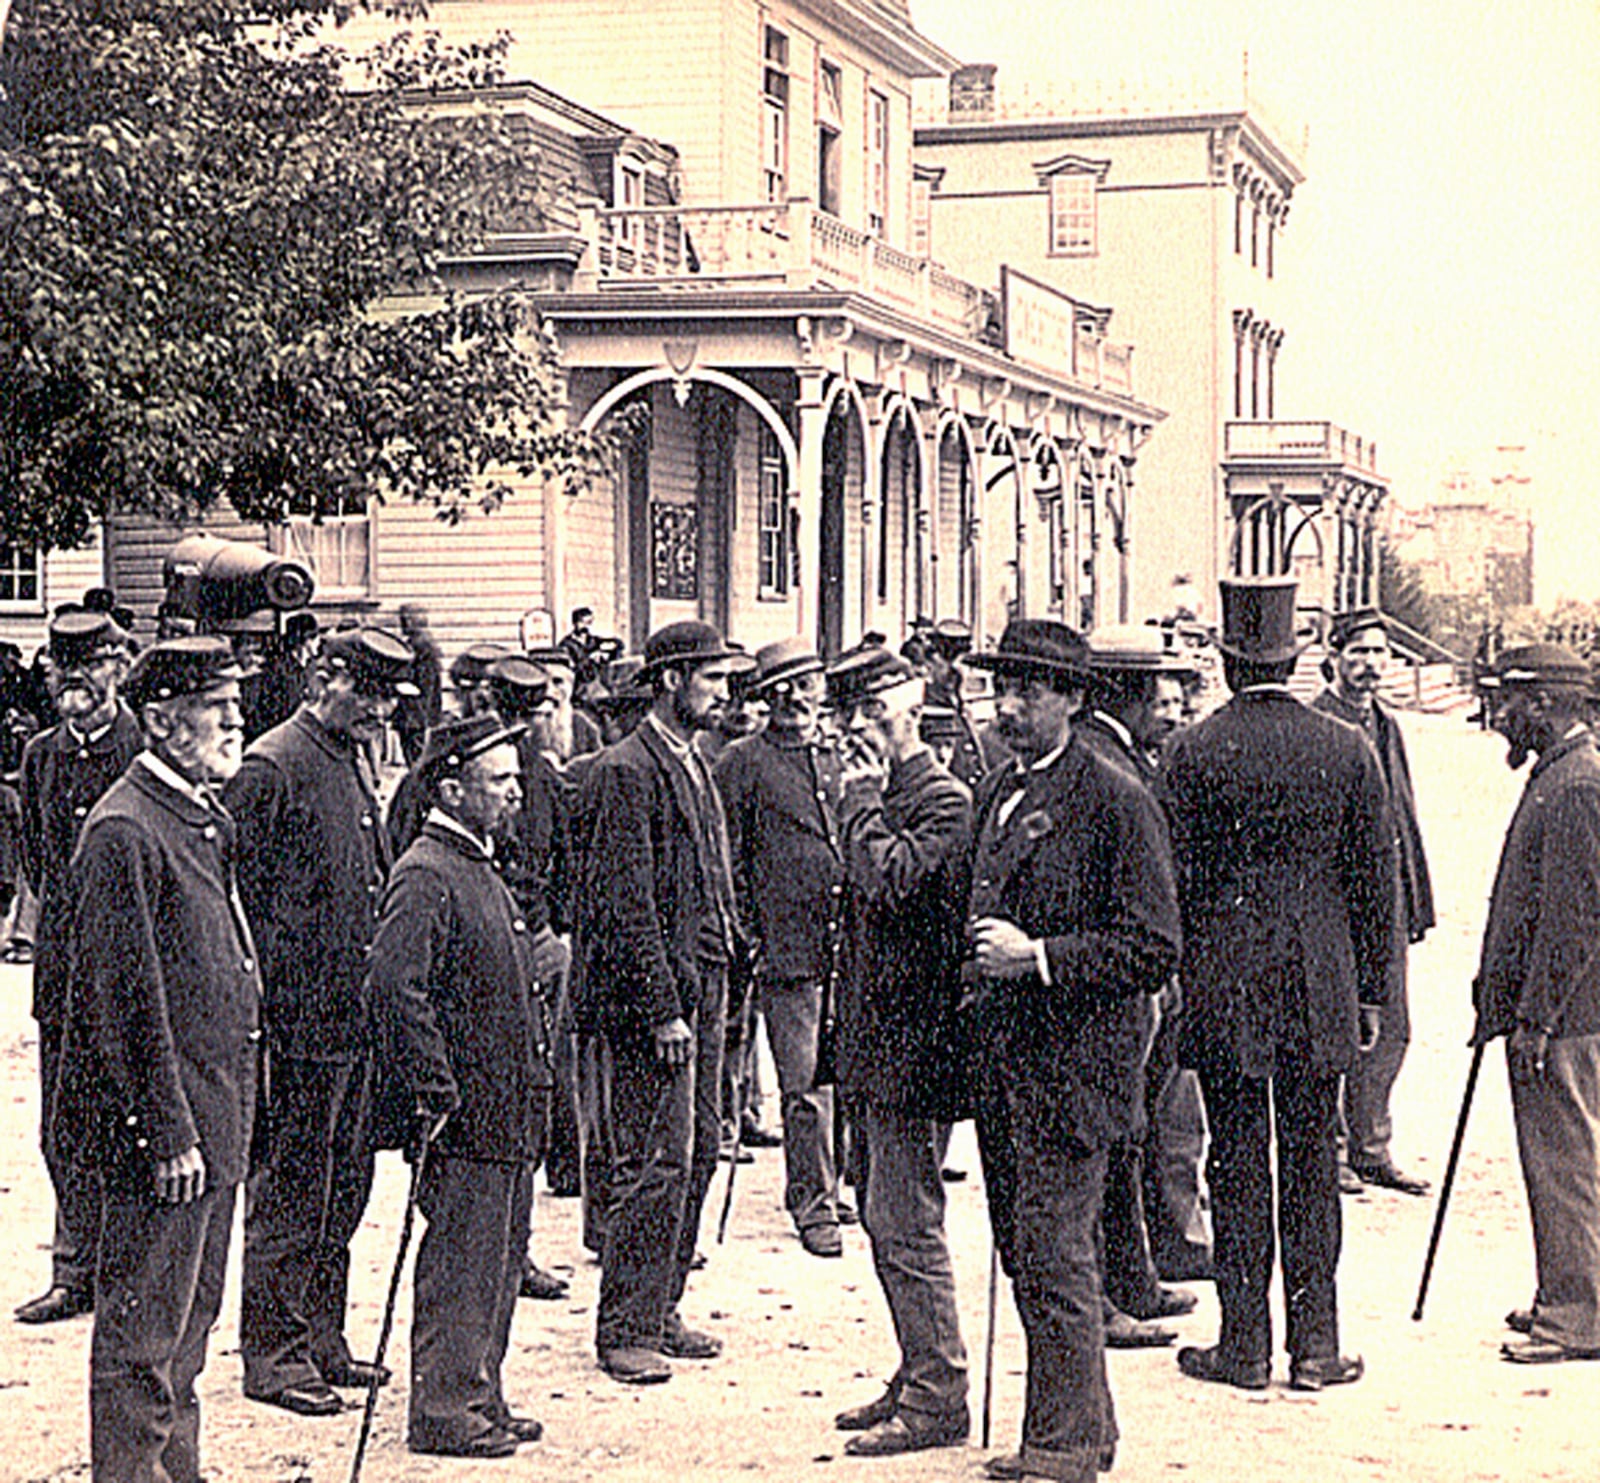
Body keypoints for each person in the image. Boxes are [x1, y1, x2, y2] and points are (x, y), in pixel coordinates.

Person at [1160, 578, 1394, 1393]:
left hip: (1224, 981)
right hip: (1321, 982)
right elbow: (1376, 884)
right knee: (1309, 1157)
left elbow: (1174, 883)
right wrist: (1373, 995)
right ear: (1295, 661)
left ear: (1226, 662)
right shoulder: (1345, 747)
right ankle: (1317, 1345)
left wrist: (1178, 976)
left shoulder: (1189, 749)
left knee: (1235, 1162)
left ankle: (1245, 1345)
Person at [962, 619, 1182, 1483]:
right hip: (1008, 1065)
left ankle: (1066, 1448)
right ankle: (1075, 1429)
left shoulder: (1115, 796)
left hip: (1077, 1068)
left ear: (1075, 699)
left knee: (1056, 1253)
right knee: (1031, 1251)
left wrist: (1039, 957)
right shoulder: (998, 789)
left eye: (1030, 691)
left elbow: (1154, 944)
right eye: (1001, 689)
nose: (1009, 706)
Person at [52, 636, 260, 1482]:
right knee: (143, 1341)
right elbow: (121, 1006)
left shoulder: (198, 813)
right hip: (164, 1143)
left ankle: (178, 1472)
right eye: (219, 705)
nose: (236, 719)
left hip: (211, 1120)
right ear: (166, 720)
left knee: (189, 1330)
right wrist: (168, 1131)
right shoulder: (123, 830)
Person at [228, 627, 419, 1417]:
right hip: (298, 1026)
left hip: (351, 1023)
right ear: (325, 678)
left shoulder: (348, 755)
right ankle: (272, 1354)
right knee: (292, 1191)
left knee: (345, 1186)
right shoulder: (272, 766)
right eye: (368, 693)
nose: (380, 712)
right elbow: (236, 903)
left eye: (387, 699)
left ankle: (323, 1338)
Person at [369, 713, 552, 1455]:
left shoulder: (475, 861)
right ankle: (444, 1409)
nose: (515, 792)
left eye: (515, 777)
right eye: (500, 780)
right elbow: (393, 987)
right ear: (452, 789)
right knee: (461, 1265)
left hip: (504, 1109)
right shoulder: (426, 870)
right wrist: (433, 1090)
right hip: (465, 1115)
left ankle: (482, 1392)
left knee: (498, 1261)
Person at [573, 620, 749, 1385]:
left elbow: (709, 874)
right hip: (660, 1000)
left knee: (701, 1147)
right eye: (711, 678)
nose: (723, 692)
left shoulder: (691, 761)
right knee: (656, 1161)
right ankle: (626, 1326)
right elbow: (624, 904)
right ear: (672, 679)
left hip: (705, 983)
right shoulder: (627, 769)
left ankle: (662, 1303)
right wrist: (661, 1009)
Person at [825, 646, 973, 1457]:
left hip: (918, 1048)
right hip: (879, 1042)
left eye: (874, 716)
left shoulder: (941, 800)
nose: (858, 732)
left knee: (906, 1221)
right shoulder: (884, 796)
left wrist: (858, 802)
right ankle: (918, 1369)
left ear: (909, 714)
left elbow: (890, 881)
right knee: (887, 1217)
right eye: (851, 716)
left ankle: (939, 1391)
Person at [1471, 645, 1600, 1364]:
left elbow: (1574, 916)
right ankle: (1570, 1293)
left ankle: (1576, 1315)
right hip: (1564, 1010)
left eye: (1511, 703)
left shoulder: (1577, 783)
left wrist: (1536, 1018)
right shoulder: (1563, 770)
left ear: (1545, 704)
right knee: (1565, 1155)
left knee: (1564, 1159)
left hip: (1566, 1016)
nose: (1500, 717)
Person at [16, 611, 142, 1327]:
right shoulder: (40, 755)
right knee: (65, 1123)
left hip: (130, 964)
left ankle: (127, 1270)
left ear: (120, 668)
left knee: (132, 1116)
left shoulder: (140, 747)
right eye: (62, 667)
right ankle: (74, 1269)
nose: (75, 681)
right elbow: (41, 861)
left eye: (91, 664)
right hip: (64, 968)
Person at [1075, 625, 1201, 1338]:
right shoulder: (1104, 763)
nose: (1175, 705)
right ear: (1126, 694)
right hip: (1112, 989)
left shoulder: (1122, 754)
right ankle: (1106, 1297)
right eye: (1163, 690)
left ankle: (1134, 1279)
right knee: (1106, 1139)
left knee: (1128, 1134)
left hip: (1138, 980)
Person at [714, 637, 847, 1258]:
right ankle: (812, 1204)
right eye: (780, 689)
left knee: (844, 1075)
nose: (794, 698)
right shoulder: (743, 762)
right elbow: (726, 860)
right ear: (765, 699)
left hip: (845, 945)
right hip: (785, 949)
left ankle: (840, 1183)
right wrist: (747, 933)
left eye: (805, 685)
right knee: (802, 1086)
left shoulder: (838, 757)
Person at [1312, 608, 1436, 1195]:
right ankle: (1329, 1149)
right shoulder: (1318, 724)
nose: (1370, 666)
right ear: (1332, 658)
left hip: (1384, 901)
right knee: (1339, 1024)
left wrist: (1413, 899)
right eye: (1358, 653)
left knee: (1393, 1027)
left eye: (1379, 654)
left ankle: (1371, 1145)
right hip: (1337, 902)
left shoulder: (1388, 725)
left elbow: (1404, 818)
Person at [486, 656, 577, 1298]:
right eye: (518, 715)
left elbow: (567, 858)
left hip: (538, 943)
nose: (528, 727)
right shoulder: (459, 770)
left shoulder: (546, 777)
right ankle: (495, 1251)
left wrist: (558, 931)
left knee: (534, 1093)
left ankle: (516, 1249)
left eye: (536, 714)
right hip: (484, 946)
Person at [526, 646, 604, 764]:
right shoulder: (517, 726)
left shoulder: (584, 727)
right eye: (540, 683)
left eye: (557, 682)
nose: (549, 692)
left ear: (571, 686)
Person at [394, 603, 444, 767]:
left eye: (404, 620)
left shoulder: (419, 646)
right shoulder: (424, 644)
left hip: (415, 714)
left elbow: (421, 684)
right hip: (421, 714)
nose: (401, 624)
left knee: (416, 758)